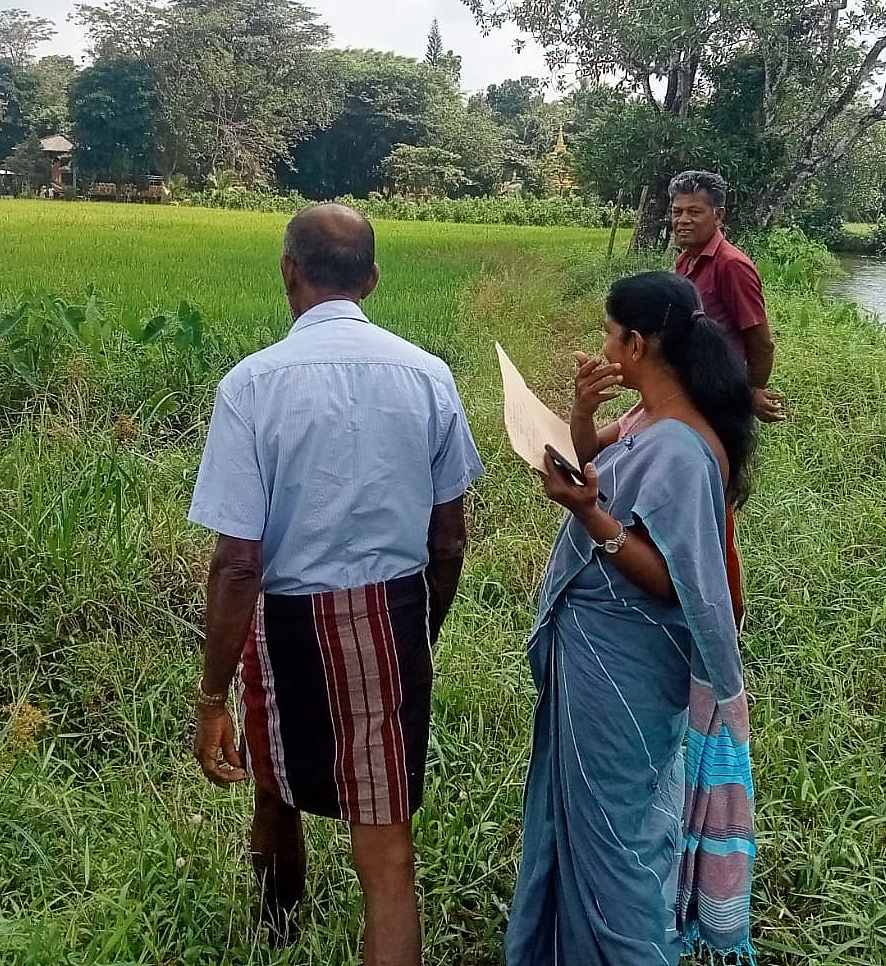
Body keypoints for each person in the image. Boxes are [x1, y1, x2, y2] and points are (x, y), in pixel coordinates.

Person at [187, 203, 483, 966]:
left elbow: (238, 562)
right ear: (373, 280)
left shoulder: (250, 386)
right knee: (387, 852)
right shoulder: (428, 376)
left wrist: (212, 697)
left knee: (272, 787)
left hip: (285, 621)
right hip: (392, 612)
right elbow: (449, 540)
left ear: (289, 273)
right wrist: (418, 633)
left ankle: (276, 933)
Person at [507, 271, 756, 966]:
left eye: (610, 336)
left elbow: (675, 579)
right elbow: (590, 455)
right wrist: (580, 412)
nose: (604, 348)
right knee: (589, 813)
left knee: (616, 833)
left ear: (638, 345)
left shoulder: (680, 446)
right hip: (602, 652)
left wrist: (590, 515)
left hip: (623, 663)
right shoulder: (652, 414)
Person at [668, 170, 784, 424]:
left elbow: (761, 343)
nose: (683, 220)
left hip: (721, 393)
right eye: (677, 212)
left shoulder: (731, 265)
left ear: (718, 216)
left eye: (694, 212)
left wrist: (750, 392)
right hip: (688, 388)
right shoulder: (685, 260)